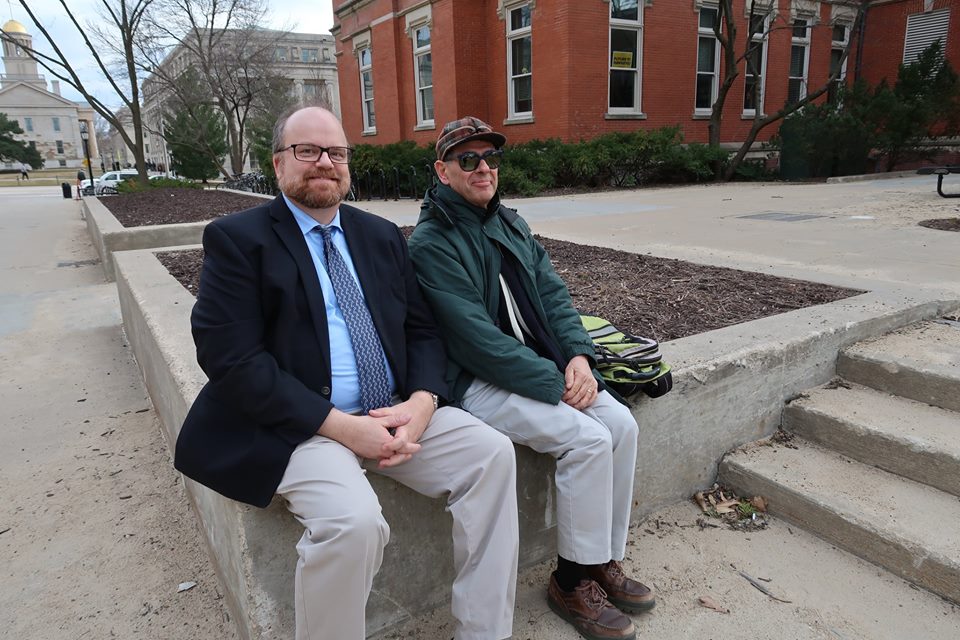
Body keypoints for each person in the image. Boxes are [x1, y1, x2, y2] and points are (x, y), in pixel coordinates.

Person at [174, 106, 519, 640]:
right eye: (307, 151)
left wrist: (423, 401)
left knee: (492, 455)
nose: (324, 163)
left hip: (392, 411)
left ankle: (484, 632)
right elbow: (231, 360)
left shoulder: (378, 235)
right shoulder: (238, 240)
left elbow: (423, 329)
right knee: (352, 524)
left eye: (336, 152)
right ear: (278, 163)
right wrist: (341, 427)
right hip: (300, 425)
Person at [408, 117, 654, 640]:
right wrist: (554, 382)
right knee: (588, 440)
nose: (483, 168)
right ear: (442, 171)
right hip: (478, 381)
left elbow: (555, 296)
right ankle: (570, 580)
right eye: (468, 159)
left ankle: (601, 560)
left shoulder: (510, 223)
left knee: (622, 426)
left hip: (542, 367)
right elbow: (473, 340)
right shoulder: (432, 243)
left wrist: (579, 358)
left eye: (491, 158)